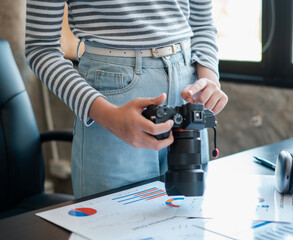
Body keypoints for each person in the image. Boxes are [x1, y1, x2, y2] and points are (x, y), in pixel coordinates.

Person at [25, 0, 228, 198]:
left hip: (187, 94)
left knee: (187, 225)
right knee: (110, 228)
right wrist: (109, 116)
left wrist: (210, 79)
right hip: (111, 104)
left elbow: (202, 24)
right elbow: (40, 48)